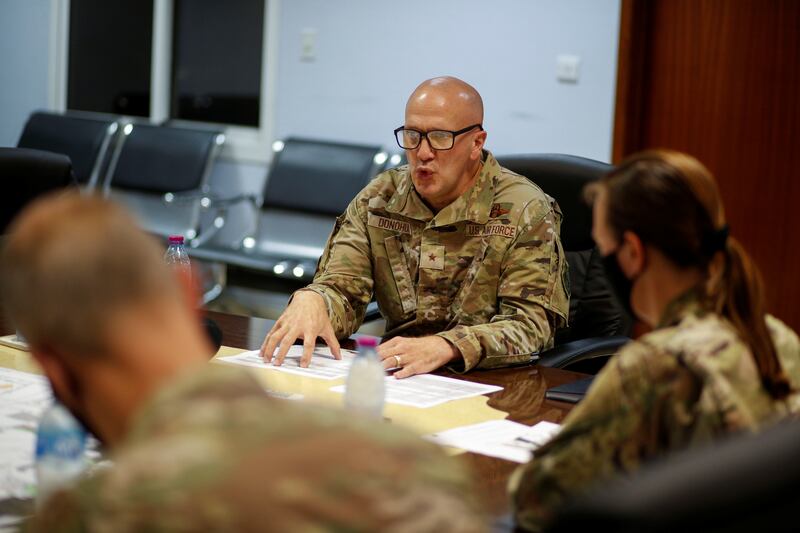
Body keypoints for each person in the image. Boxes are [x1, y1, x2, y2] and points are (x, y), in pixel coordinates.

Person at [1, 193, 486, 532]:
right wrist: (315, 295)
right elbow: (339, 281)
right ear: (190, 290)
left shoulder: (101, 515)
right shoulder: (403, 458)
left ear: (53, 368)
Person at [510, 150, 800, 531]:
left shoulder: (654, 365)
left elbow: (536, 499)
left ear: (632, 252)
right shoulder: (775, 336)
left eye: (603, 245)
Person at [261, 76, 570, 378]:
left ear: (476, 143)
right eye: (412, 135)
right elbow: (342, 289)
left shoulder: (523, 209)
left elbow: (530, 325)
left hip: (493, 381)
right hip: (399, 375)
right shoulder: (380, 199)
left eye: (440, 137)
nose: (423, 153)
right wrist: (316, 300)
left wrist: (447, 346)